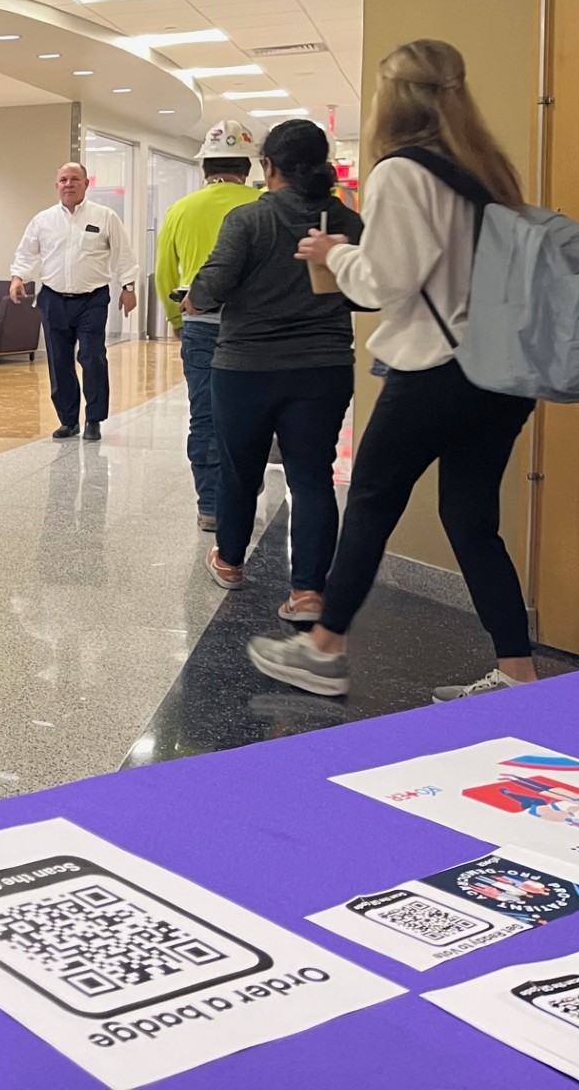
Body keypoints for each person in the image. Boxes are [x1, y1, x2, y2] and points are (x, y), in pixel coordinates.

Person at [250, 40, 538, 702]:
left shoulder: (403, 172)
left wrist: (336, 250)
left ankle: (324, 650)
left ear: (393, 97)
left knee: (373, 501)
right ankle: (517, 673)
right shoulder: (489, 172)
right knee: (471, 519)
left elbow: (386, 284)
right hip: (504, 371)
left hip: (440, 369)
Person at [184, 120, 363, 621]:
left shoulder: (247, 221)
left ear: (269, 167)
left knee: (240, 471)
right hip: (324, 368)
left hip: (246, 368)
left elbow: (211, 288)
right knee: (312, 478)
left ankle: (230, 560)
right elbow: (365, 295)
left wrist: (193, 300)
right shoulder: (347, 223)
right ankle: (307, 592)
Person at [154, 122, 262, 530]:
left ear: (204, 168)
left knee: (205, 414)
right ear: (247, 167)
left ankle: (212, 506)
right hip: (253, 327)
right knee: (251, 414)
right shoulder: (260, 205)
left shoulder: (181, 210)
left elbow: (164, 272)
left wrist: (176, 320)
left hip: (200, 322)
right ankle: (245, 492)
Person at [9, 163, 138, 441]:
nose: (68, 184)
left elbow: (123, 253)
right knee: (58, 361)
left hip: (92, 299)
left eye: (74, 179)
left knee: (92, 357)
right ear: (56, 185)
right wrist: (18, 277)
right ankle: (68, 420)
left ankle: (94, 418)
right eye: (63, 180)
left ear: (86, 184)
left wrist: (128, 287)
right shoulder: (43, 220)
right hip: (53, 298)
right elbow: (28, 252)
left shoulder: (105, 217)